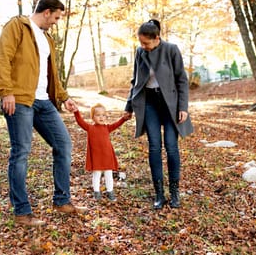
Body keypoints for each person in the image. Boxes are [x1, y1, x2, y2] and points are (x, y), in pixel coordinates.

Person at [0, 0, 86, 227]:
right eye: (55, 17)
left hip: (44, 102)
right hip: (20, 99)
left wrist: (64, 97)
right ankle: (22, 213)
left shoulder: (47, 39)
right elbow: (2, 58)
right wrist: (6, 91)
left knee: (63, 144)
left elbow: (51, 75)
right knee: (21, 152)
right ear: (46, 12)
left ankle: (62, 201)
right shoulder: (17, 26)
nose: (55, 22)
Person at [124, 19, 193, 209]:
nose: (143, 46)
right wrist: (128, 106)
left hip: (170, 104)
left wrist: (183, 107)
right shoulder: (140, 52)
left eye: (146, 43)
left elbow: (182, 80)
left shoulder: (171, 49)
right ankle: (159, 194)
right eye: (141, 43)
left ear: (157, 39)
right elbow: (135, 81)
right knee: (154, 147)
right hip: (149, 103)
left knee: (171, 146)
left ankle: (174, 193)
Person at [73, 103, 130, 202]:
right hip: (96, 157)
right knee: (97, 175)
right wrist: (76, 112)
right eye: (98, 115)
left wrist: (123, 118)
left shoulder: (107, 128)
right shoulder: (90, 128)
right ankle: (96, 192)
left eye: (103, 115)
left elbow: (116, 124)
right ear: (92, 117)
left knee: (109, 174)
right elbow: (80, 122)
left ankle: (110, 192)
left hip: (107, 156)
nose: (101, 117)